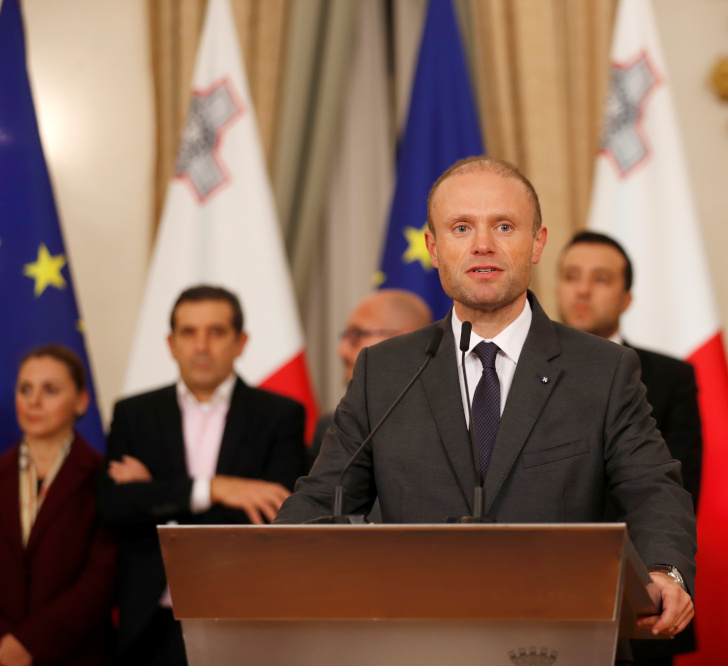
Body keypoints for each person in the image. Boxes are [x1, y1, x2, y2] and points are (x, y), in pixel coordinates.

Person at [277, 156, 697, 642]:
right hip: (415, 641)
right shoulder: (384, 371)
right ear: (433, 248)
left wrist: (667, 570)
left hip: (560, 638)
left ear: (537, 243)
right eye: (461, 228)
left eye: (503, 225)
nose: (482, 245)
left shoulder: (602, 370)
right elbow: (322, 496)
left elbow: (652, 486)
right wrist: (266, 564)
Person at [99, 285, 306, 666]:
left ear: (240, 342)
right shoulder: (134, 413)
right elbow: (114, 508)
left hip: (242, 612)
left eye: (216, 332)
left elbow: (276, 512)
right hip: (149, 622)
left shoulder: (281, 415)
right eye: (188, 332)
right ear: (171, 343)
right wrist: (213, 489)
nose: (201, 345)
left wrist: (156, 494)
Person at [557, 231, 703, 663]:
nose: (582, 290)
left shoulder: (669, 377)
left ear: (626, 299)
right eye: (571, 276)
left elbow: (677, 487)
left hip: (637, 595)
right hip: (539, 591)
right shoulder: (515, 372)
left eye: (600, 279)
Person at [0, 345, 117, 666]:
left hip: (78, 655)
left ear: (81, 401)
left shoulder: (104, 478)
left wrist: (29, 643)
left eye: (50, 390)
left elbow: (101, 579)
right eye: (25, 389)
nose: (33, 401)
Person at [310, 289, 432, 455]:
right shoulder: (332, 427)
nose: (341, 350)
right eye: (345, 335)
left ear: (405, 340)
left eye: (357, 334)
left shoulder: (451, 422)